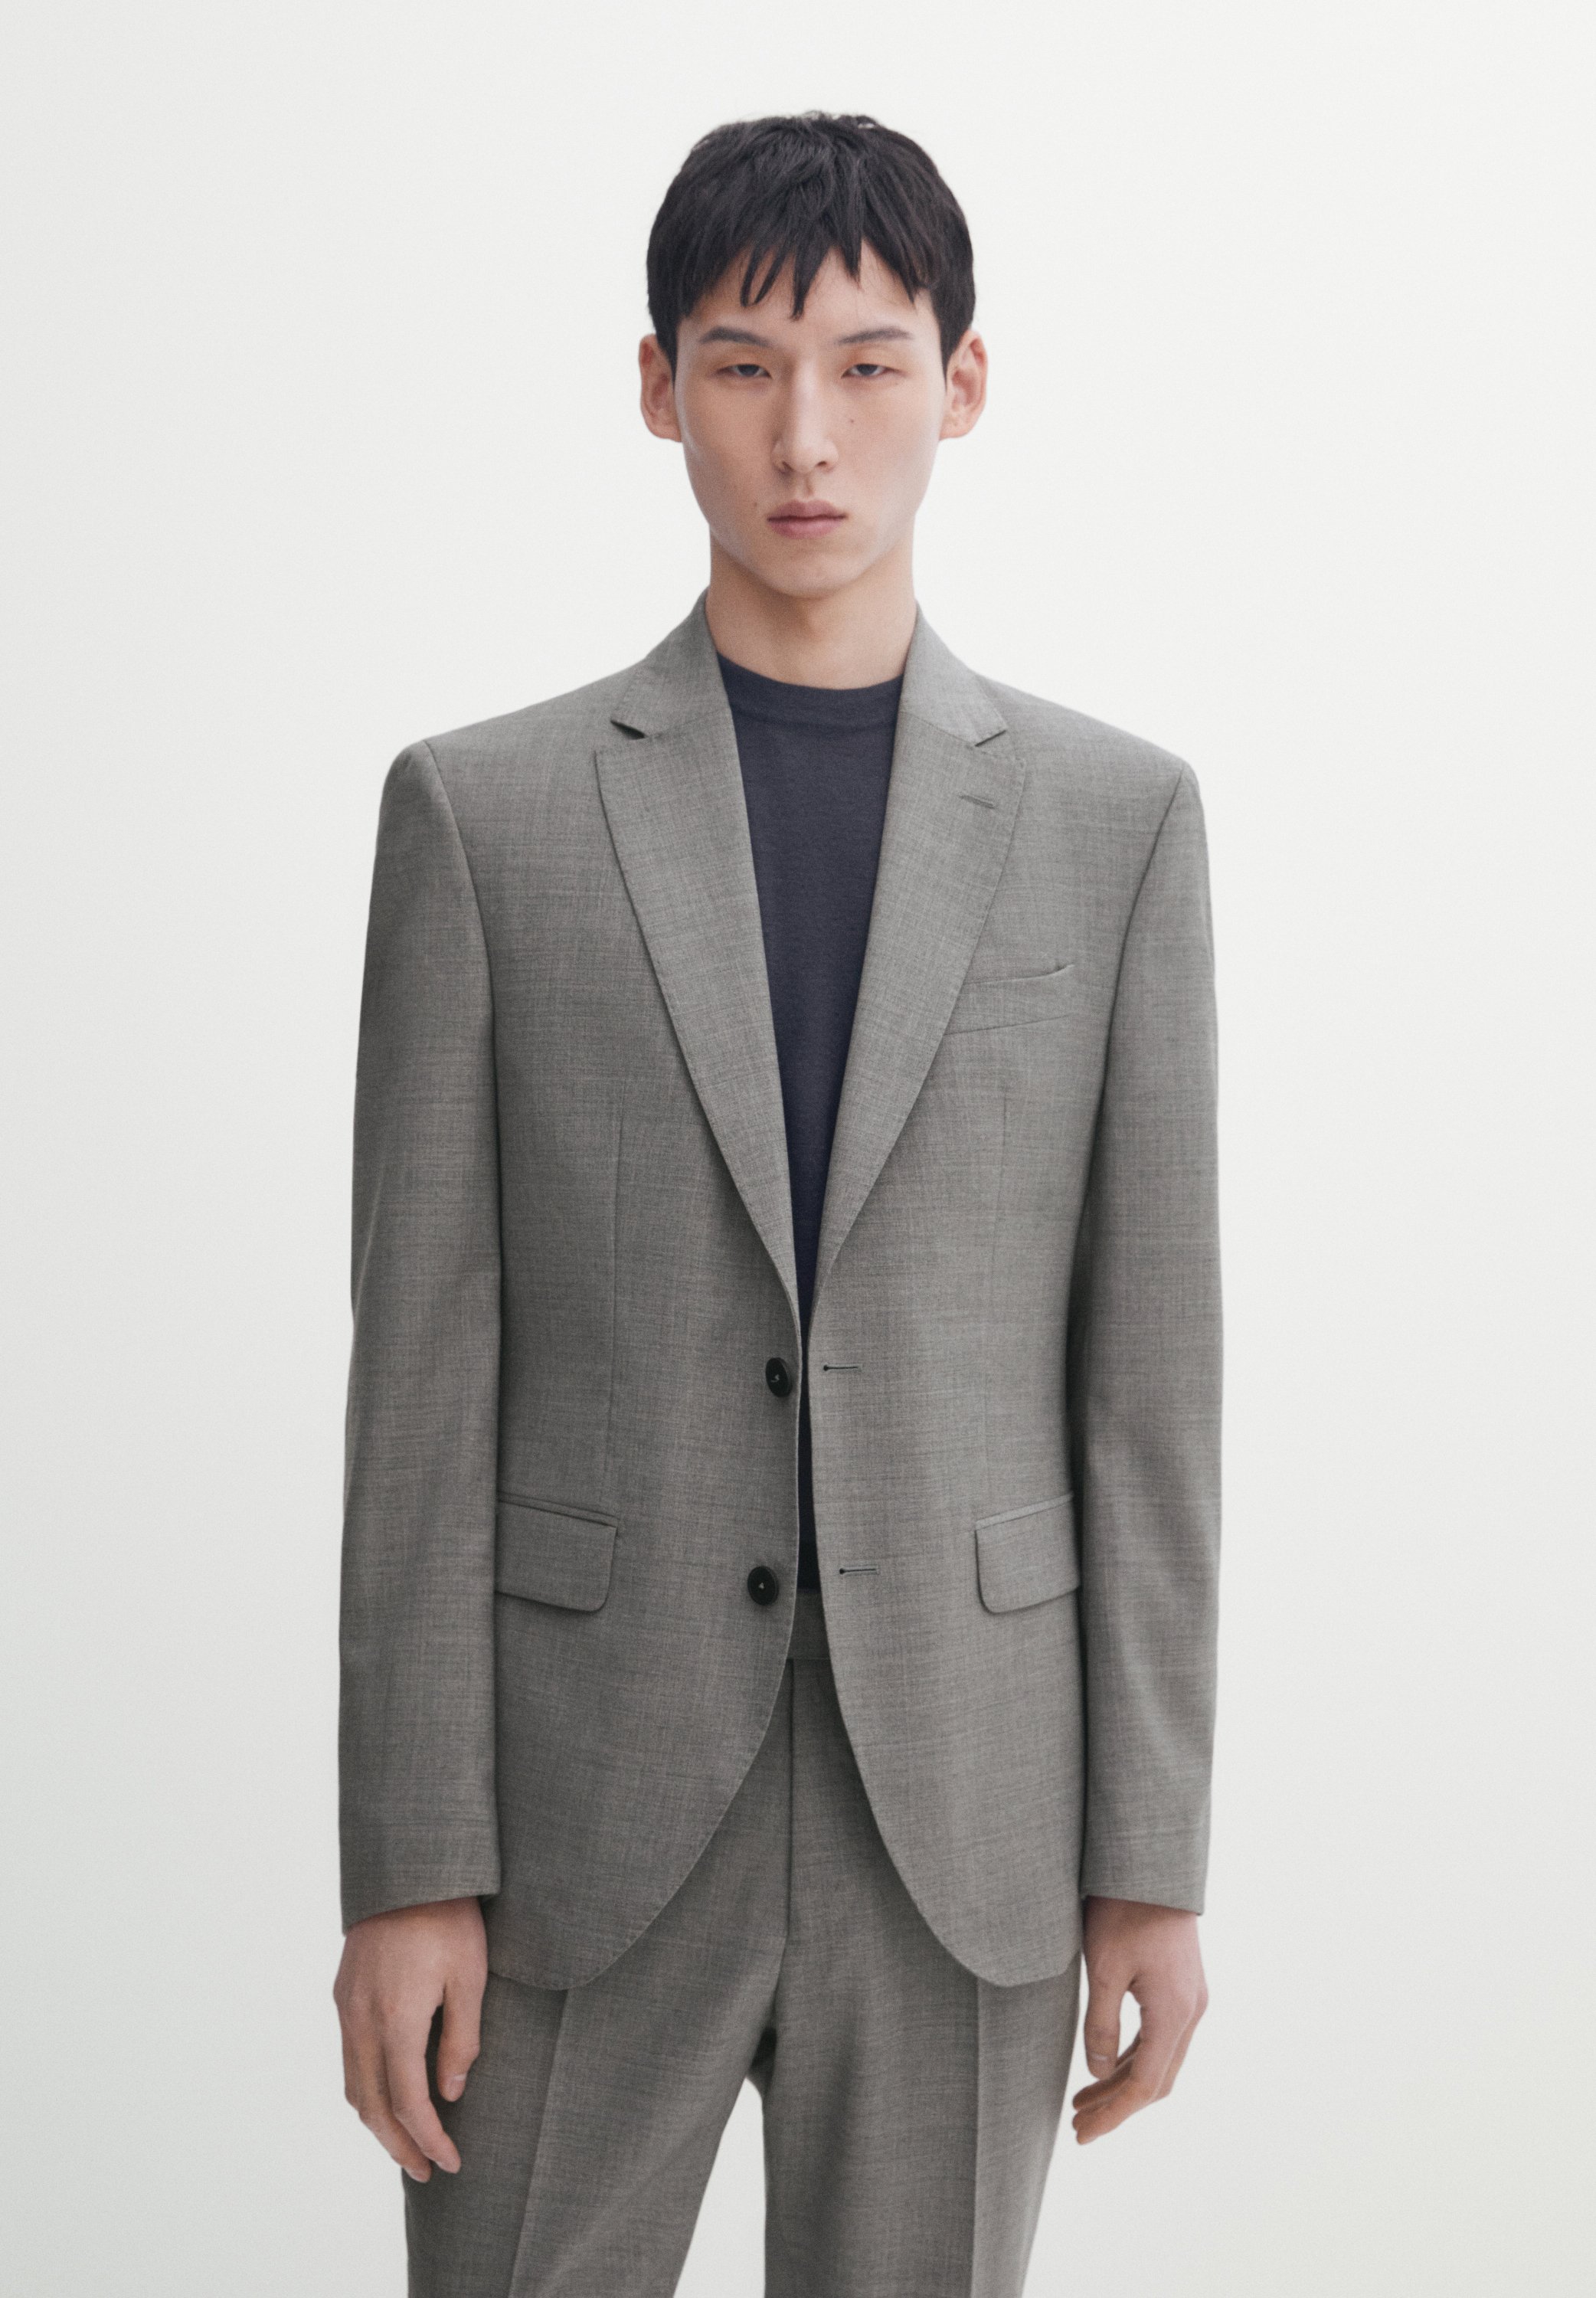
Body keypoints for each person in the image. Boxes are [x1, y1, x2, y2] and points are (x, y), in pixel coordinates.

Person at [333, 110, 1222, 2298]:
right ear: (658, 389)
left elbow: (1148, 1388)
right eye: (741, 367)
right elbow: (424, 1377)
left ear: (963, 382)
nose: (804, 436)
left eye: (865, 365)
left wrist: (1151, 1855)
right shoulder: (483, 817)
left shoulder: (1114, 825)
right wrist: (408, 1862)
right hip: (573, 1810)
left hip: (968, 1814)